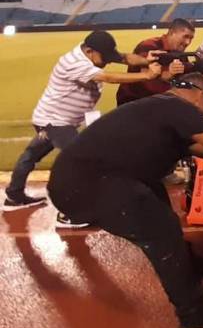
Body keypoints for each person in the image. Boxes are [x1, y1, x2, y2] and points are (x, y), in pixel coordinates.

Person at [47, 73, 203, 328]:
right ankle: (198, 319)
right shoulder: (176, 106)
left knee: (156, 203)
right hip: (91, 184)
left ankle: (190, 267)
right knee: (162, 232)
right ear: (200, 94)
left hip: (87, 179)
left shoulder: (159, 110)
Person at [3, 31, 163, 228]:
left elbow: (124, 57)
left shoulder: (94, 50)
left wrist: (147, 61)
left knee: (31, 154)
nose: (106, 61)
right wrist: (147, 75)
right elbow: (108, 77)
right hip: (56, 121)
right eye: (103, 57)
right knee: (81, 162)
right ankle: (68, 214)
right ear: (89, 51)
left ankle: (13, 195)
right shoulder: (74, 63)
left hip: (55, 119)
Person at [116, 18, 198, 106]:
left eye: (191, 38)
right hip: (134, 102)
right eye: (185, 36)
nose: (188, 42)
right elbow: (146, 81)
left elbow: (186, 79)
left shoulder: (180, 54)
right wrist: (167, 74)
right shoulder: (149, 46)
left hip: (159, 103)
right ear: (171, 33)